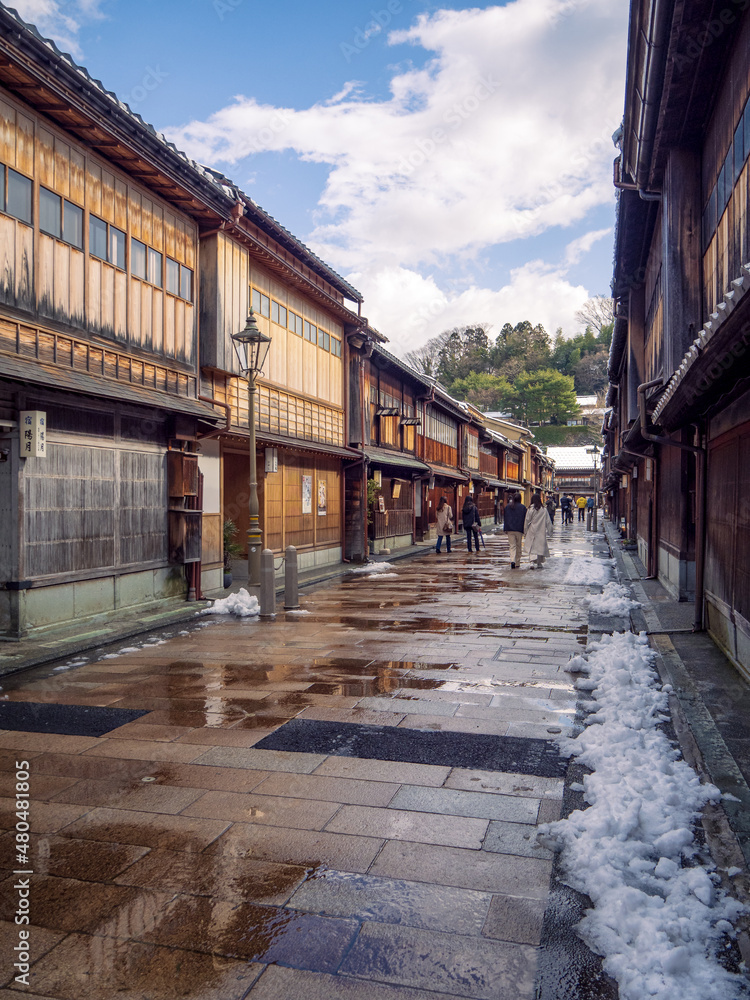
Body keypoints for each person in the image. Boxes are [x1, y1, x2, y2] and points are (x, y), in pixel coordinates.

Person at [524, 493, 553, 568]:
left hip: (532, 529)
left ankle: (532, 562)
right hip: (541, 530)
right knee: (540, 546)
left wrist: (525, 531)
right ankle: (539, 562)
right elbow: (548, 521)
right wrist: (550, 531)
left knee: (532, 546)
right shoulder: (543, 509)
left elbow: (527, 520)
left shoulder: (530, 509)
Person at [503, 491, 526, 568]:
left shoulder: (507, 507)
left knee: (512, 546)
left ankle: (512, 560)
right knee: (518, 546)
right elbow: (524, 519)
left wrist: (505, 528)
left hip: (510, 529)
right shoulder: (523, 507)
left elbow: (505, 518)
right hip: (519, 529)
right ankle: (517, 562)